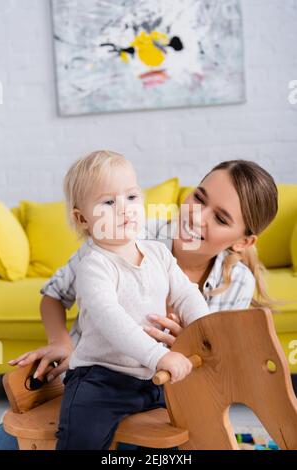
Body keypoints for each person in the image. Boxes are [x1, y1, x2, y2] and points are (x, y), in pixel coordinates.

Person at [0, 158, 278, 450]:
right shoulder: (122, 232)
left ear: (243, 242)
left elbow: (207, 349)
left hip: (155, 386)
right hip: (95, 381)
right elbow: (61, 295)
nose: (196, 217)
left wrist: (197, 337)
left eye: (220, 218)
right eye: (199, 197)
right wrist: (61, 341)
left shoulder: (234, 280)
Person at [52, 150, 211, 449]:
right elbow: (112, 320)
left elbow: (186, 293)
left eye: (132, 197)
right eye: (109, 202)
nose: (124, 209)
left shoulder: (159, 253)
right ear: (82, 218)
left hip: (152, 377)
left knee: (186, 426)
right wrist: (158, 355)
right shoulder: (94, 265)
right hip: (101, 380)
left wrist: (205, 327)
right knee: (82, 438)